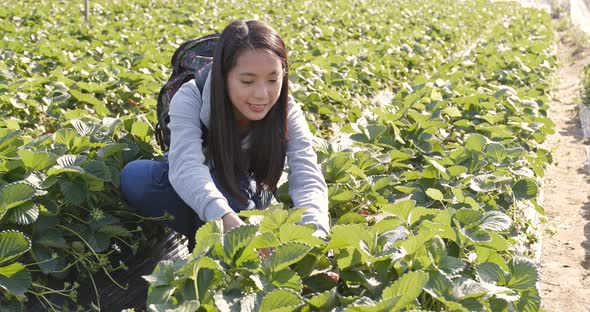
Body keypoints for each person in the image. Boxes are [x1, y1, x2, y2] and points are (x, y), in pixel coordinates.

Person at [120, 20, 329, 250]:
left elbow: (307, 174)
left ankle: (229, 244)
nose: (262, 94)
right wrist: (227, 221)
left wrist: (314, 236)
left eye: (273, 80)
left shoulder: (286, 109)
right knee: (137, 177)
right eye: (247, 81)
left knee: (234, 195)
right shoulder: (191, 96)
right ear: (223, 76)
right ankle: (222, 242)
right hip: (202, 188)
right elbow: (185, 167)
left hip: (248, 193)